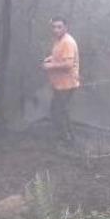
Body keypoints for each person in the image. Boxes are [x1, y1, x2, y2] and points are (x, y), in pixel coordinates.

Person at [41, 16, 80, 144]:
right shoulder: (59, 40)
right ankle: (64, 136)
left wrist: (50, 66)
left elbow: (69, 64)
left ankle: (67, 139)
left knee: (59, 111)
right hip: (60, 84)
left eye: (59, 27)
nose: (56, 30)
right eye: (54, 27)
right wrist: (50, 58)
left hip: (67, 84)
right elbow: (59, 56)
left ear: (66, 27)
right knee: (58, 110)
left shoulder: (67, 42)